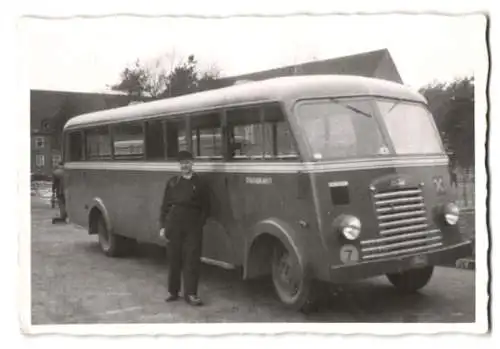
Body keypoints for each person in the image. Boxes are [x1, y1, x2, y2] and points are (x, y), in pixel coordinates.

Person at [159, 150, 210, 306]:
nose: (185, 166)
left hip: (192, 226)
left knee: (191, 260)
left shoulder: (200, 183)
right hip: (173, 225)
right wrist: (162, 226)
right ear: (179, 165)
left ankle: (191, 294)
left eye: (187, 163)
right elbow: (165, 206)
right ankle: (172, 292)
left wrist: (198, 223)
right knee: (174, 259)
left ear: (192, 163)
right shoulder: (173, 182)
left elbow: (207, 207)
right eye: (182, 163)